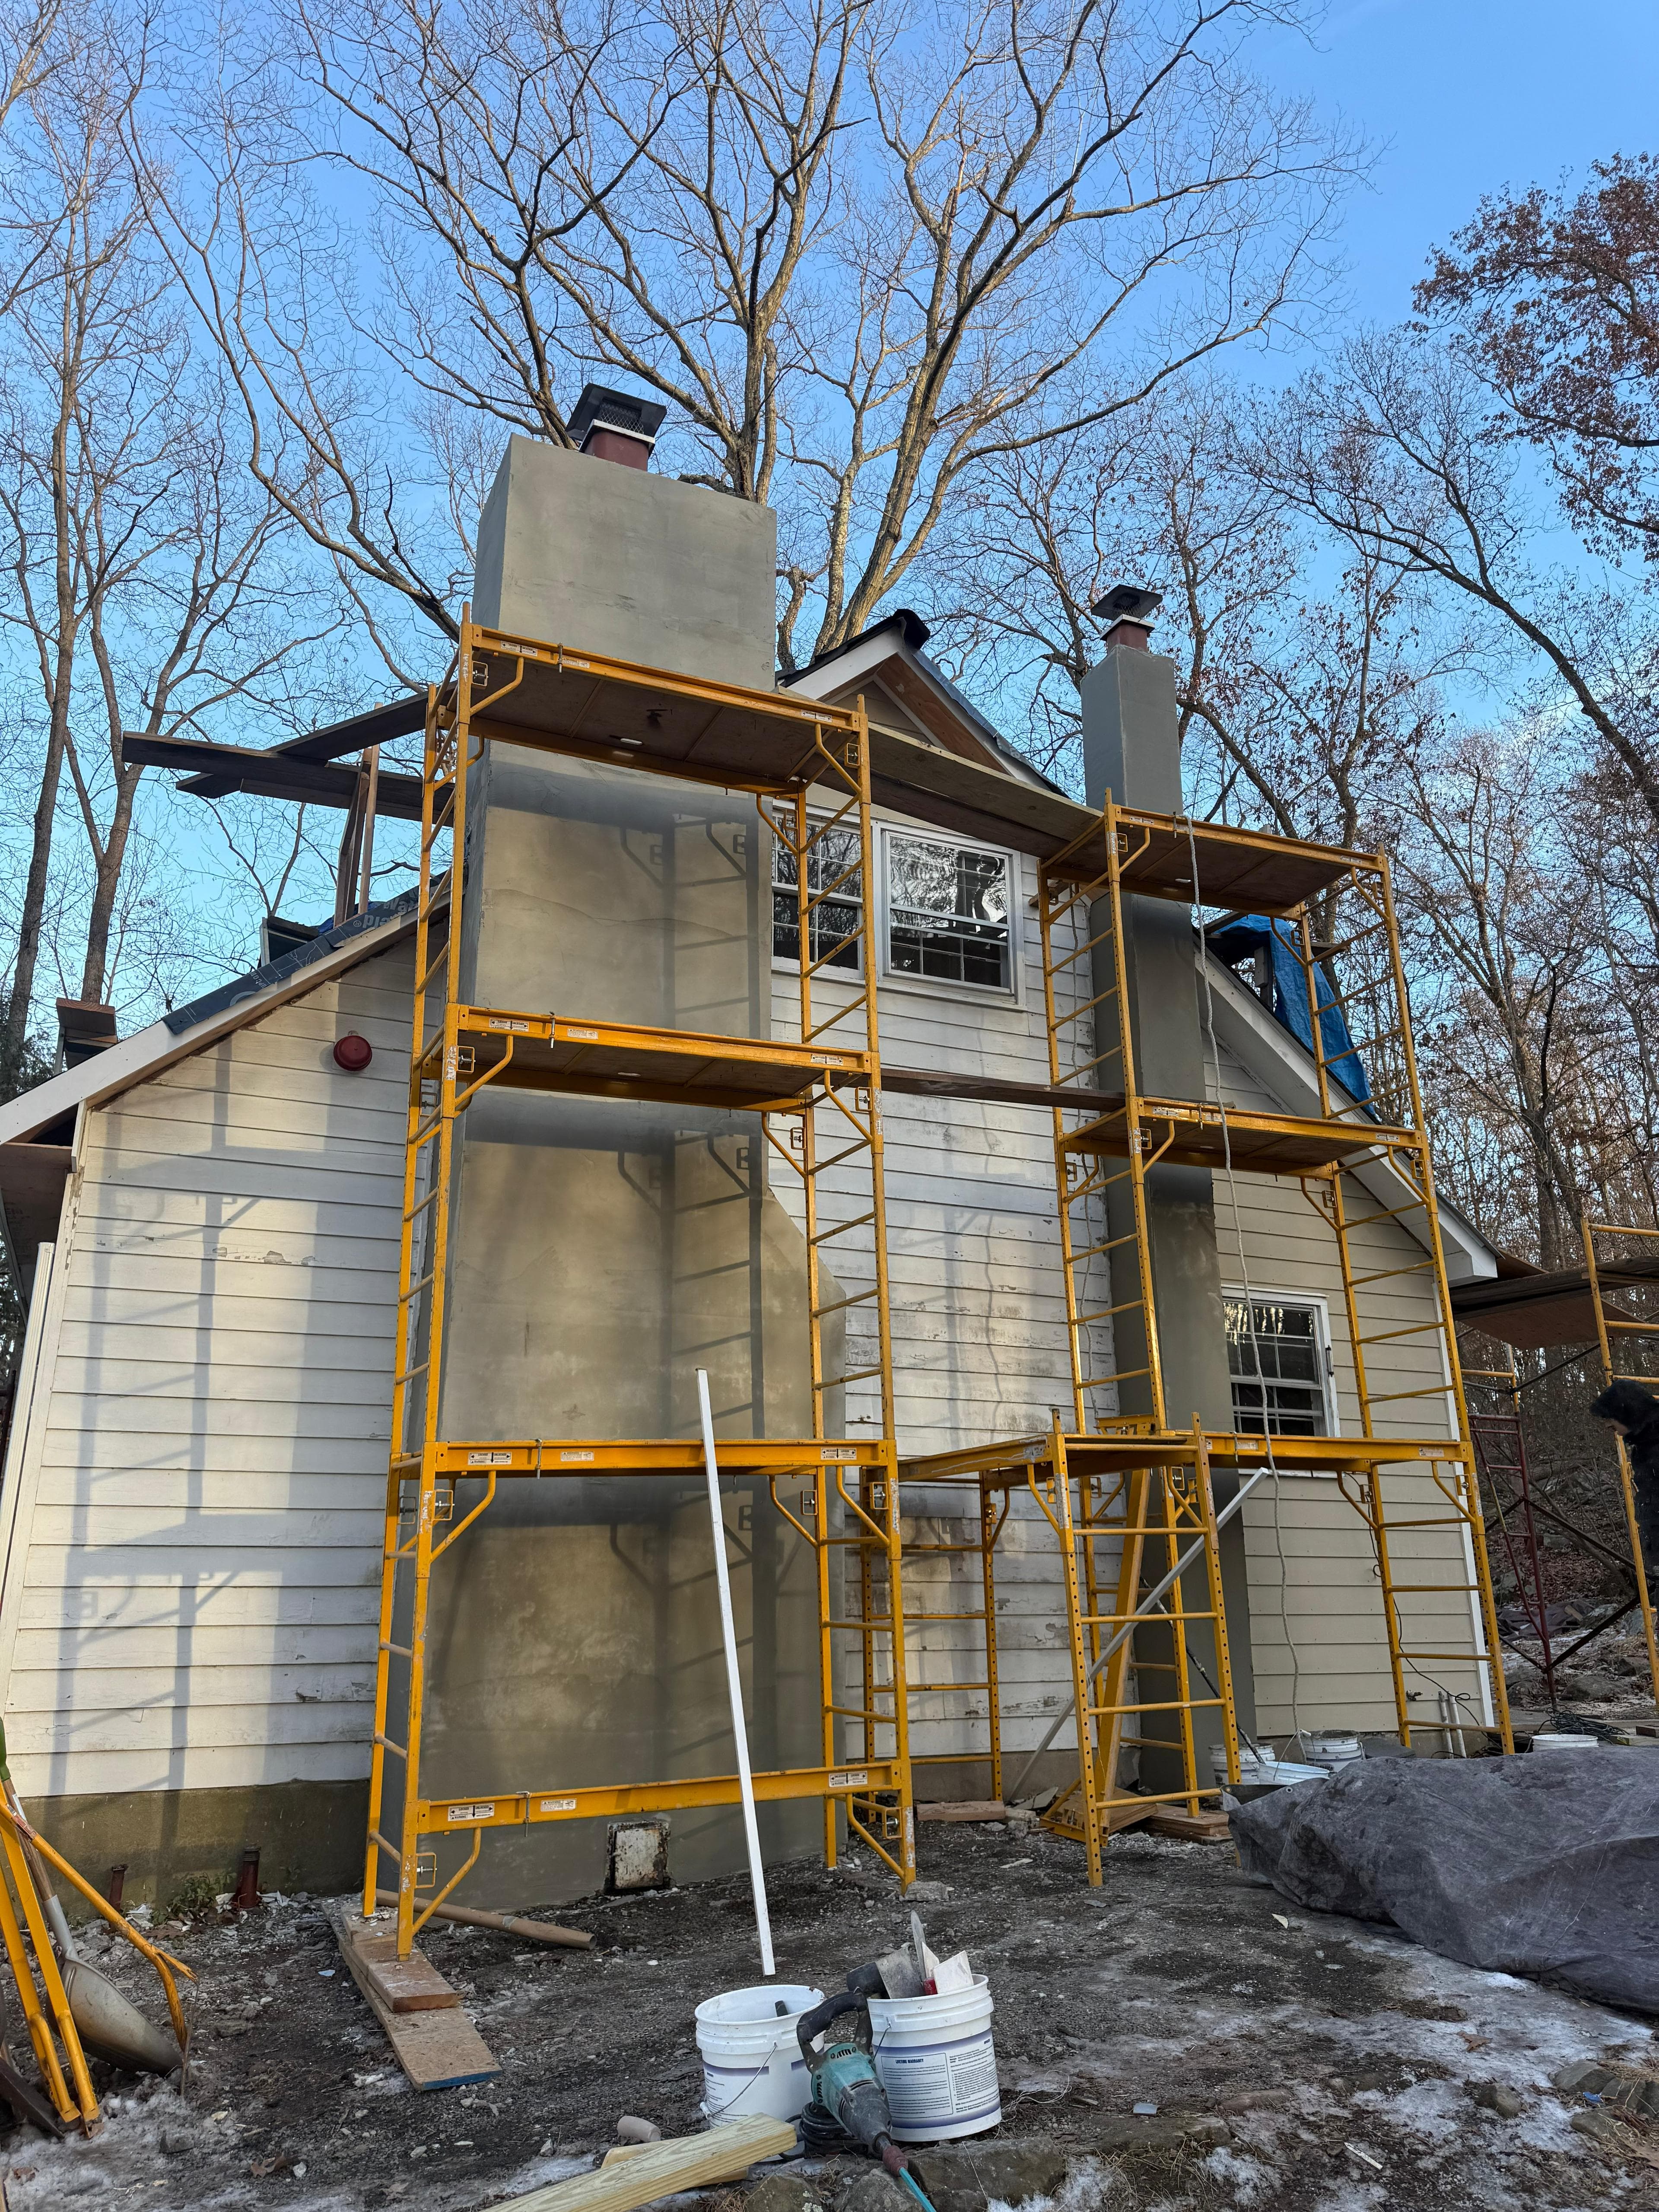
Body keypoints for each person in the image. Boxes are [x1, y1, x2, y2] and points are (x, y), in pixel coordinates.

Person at [1592, 1379, 1659, 1578]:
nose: (1607, 1425)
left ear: (1627, 1413)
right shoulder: (1644, 1442)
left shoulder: (1653, 1443)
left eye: (1610, 1418)